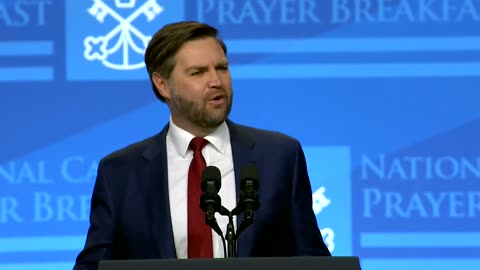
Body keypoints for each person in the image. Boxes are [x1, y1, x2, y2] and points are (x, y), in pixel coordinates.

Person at [73, 21, 331, 270]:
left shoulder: (280, 156)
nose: (216, 81)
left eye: (221, 68)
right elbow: (94, 265)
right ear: (163, 85)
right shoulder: (120, 172)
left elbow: (312, 258)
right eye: (198, 72)